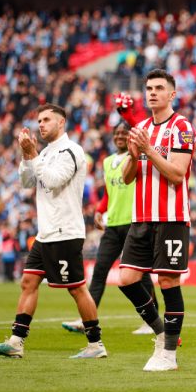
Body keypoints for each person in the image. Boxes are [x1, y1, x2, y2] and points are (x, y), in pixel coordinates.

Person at [0, 103, 107, 359]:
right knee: (28, 282)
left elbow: (51, 180)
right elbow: (27, 182)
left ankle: (96, 345)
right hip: (45, 232)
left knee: (76, 289)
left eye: (47, 119)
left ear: (61, 123)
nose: (41, 124)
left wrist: (34, 155)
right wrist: (26, 154)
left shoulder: (72, 151)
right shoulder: (46, 152)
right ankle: (17, 342)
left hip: (65, 232)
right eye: (39, 120)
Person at [117, 69, 195, 371]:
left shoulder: (181, 127)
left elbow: (178, 173)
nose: (152, 93)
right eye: (149, 88)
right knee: (126, 279)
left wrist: (149, 150)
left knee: (167, 281)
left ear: (171, 94)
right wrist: (135, 155)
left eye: (159, 88)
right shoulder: (141, 127)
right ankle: (162, 334)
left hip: (171, 217)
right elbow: (126, 178)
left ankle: (168, 355)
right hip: (142, 217)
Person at [61, 117, 158, 336]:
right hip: (113, 224)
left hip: (134, 222)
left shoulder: (138, 157)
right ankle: (87, 318)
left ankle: (151, 320)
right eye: (117, 133)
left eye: (125, 133)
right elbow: (109, 192)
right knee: (100, 270)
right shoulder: (107, 161)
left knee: (140, 274)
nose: (120, 136)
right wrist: (99, 209)